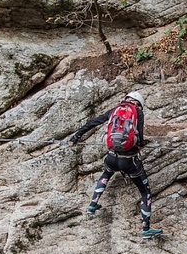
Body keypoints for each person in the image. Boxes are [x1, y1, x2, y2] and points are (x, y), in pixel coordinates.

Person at [67, 91, 162, 239]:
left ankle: (92, 205)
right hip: (129, 162)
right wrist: (141, 145)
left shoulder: (116, 109)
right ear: (140, 105)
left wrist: (76, 137)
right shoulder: (137, 112)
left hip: (111, 158)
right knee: (145, 193)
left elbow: (94, 122)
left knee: (106, 174)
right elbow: (140, 137)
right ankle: (146, 229)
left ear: (126, 99)